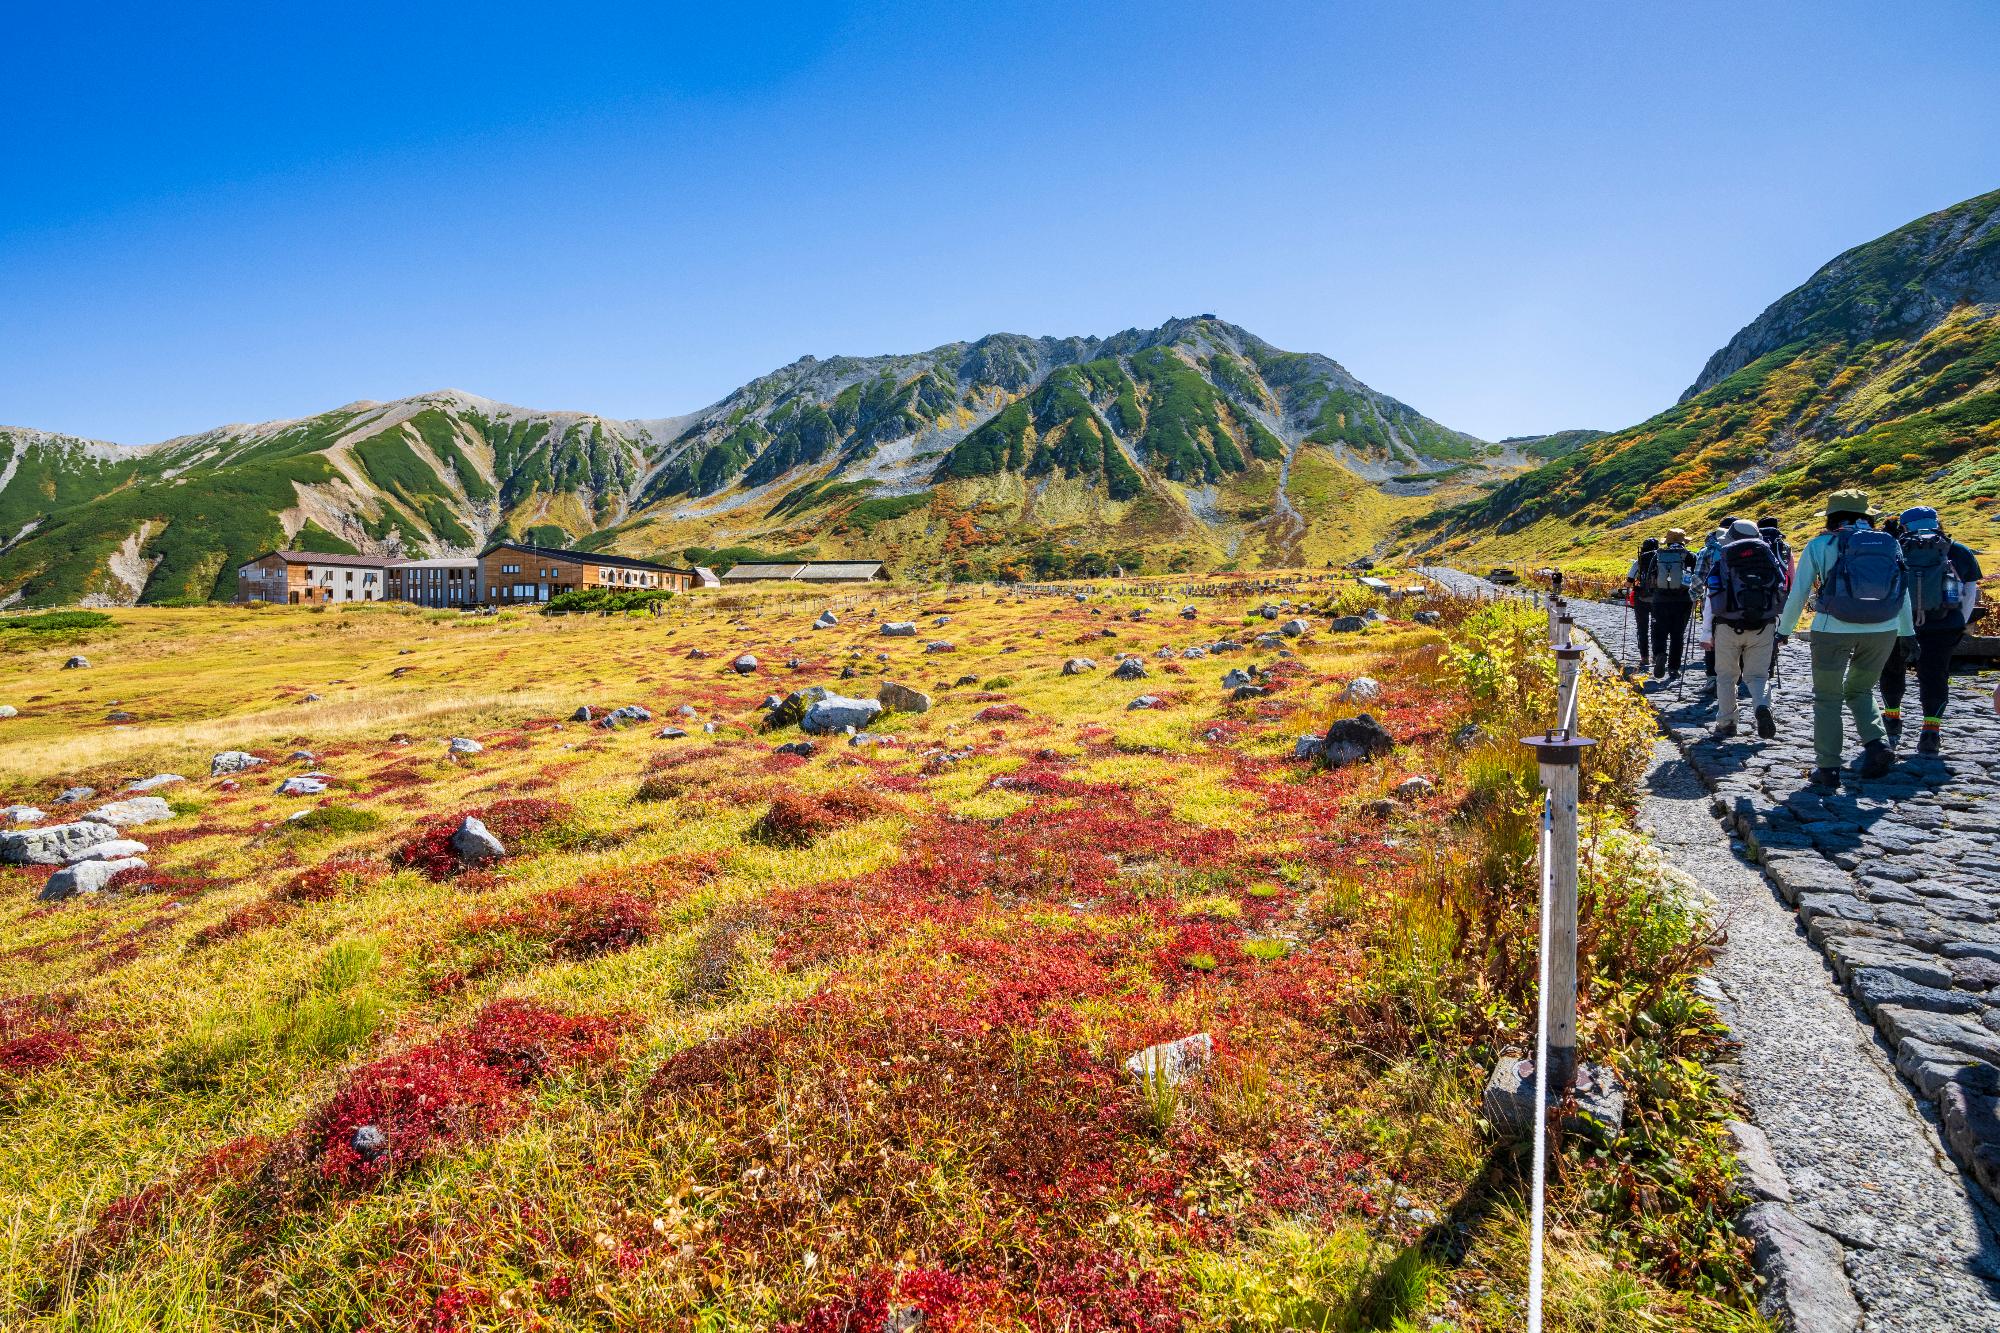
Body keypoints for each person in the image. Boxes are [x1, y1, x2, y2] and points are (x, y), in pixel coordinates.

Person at [1776, 489, 1914, 788]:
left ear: (1830, 517)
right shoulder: (1890, 545)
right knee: (1861, 690)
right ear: (1867, 516)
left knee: (1828, 698)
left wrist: (1784, 630)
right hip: (1883, 629)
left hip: (1831, 629)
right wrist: (1907, 632)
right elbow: (1901, 592)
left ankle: (1828, 768)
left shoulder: (1820, 544)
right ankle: (1877, 745)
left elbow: (1799, 592)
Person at [1878, 506, 1982, 755]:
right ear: (1936, 523)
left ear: (1904, 526)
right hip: (1943, 624)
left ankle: (1892, 719)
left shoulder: (1893, 549)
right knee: (1935, 675)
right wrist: (1960, 622)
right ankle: (1930, 732)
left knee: (1892, 670)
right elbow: (1970, 591)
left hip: (1897, 625)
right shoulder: (1957, 550)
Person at [1699, 519, 1785, 739]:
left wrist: (1706, 632)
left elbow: (1711, 595)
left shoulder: (1725, 558)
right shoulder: (1767, 556)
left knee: (1727, 676)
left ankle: (1727, 722)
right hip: (1764, 626)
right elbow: (1781, 588)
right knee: (1758, 676)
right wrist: (1782, 627)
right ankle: (1762, 706)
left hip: (1728, 625)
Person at [1646, 528, 1697, 680]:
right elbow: (1697, 577)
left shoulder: (1658, 555)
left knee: (1658, 632)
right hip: (1683, 601)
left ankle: (1660, 654)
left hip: (1660, 600)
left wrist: (1653, 594)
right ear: (1683, 541)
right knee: (1677, 635)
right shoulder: (1690, 556)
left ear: (1667, 541)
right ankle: (1674, 668)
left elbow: (1649, 577)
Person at [1693, 527, 1729, 683]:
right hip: (1739, 602)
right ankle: (1734, 676)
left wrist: (1694, 595)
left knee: (1711, 635)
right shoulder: (1744, 549)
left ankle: (1712, 677)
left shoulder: (1707, 550)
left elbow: (1699, 576)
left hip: (1712, 600)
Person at [1624, 537, 1661, 675]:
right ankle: (1657, 655)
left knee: (1642, 628)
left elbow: (1629, 582)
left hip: (1641, 598)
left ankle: (1644, 657)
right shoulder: (1661, 559)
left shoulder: (1639, 561)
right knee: (1657, 627)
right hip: (1658, 599)